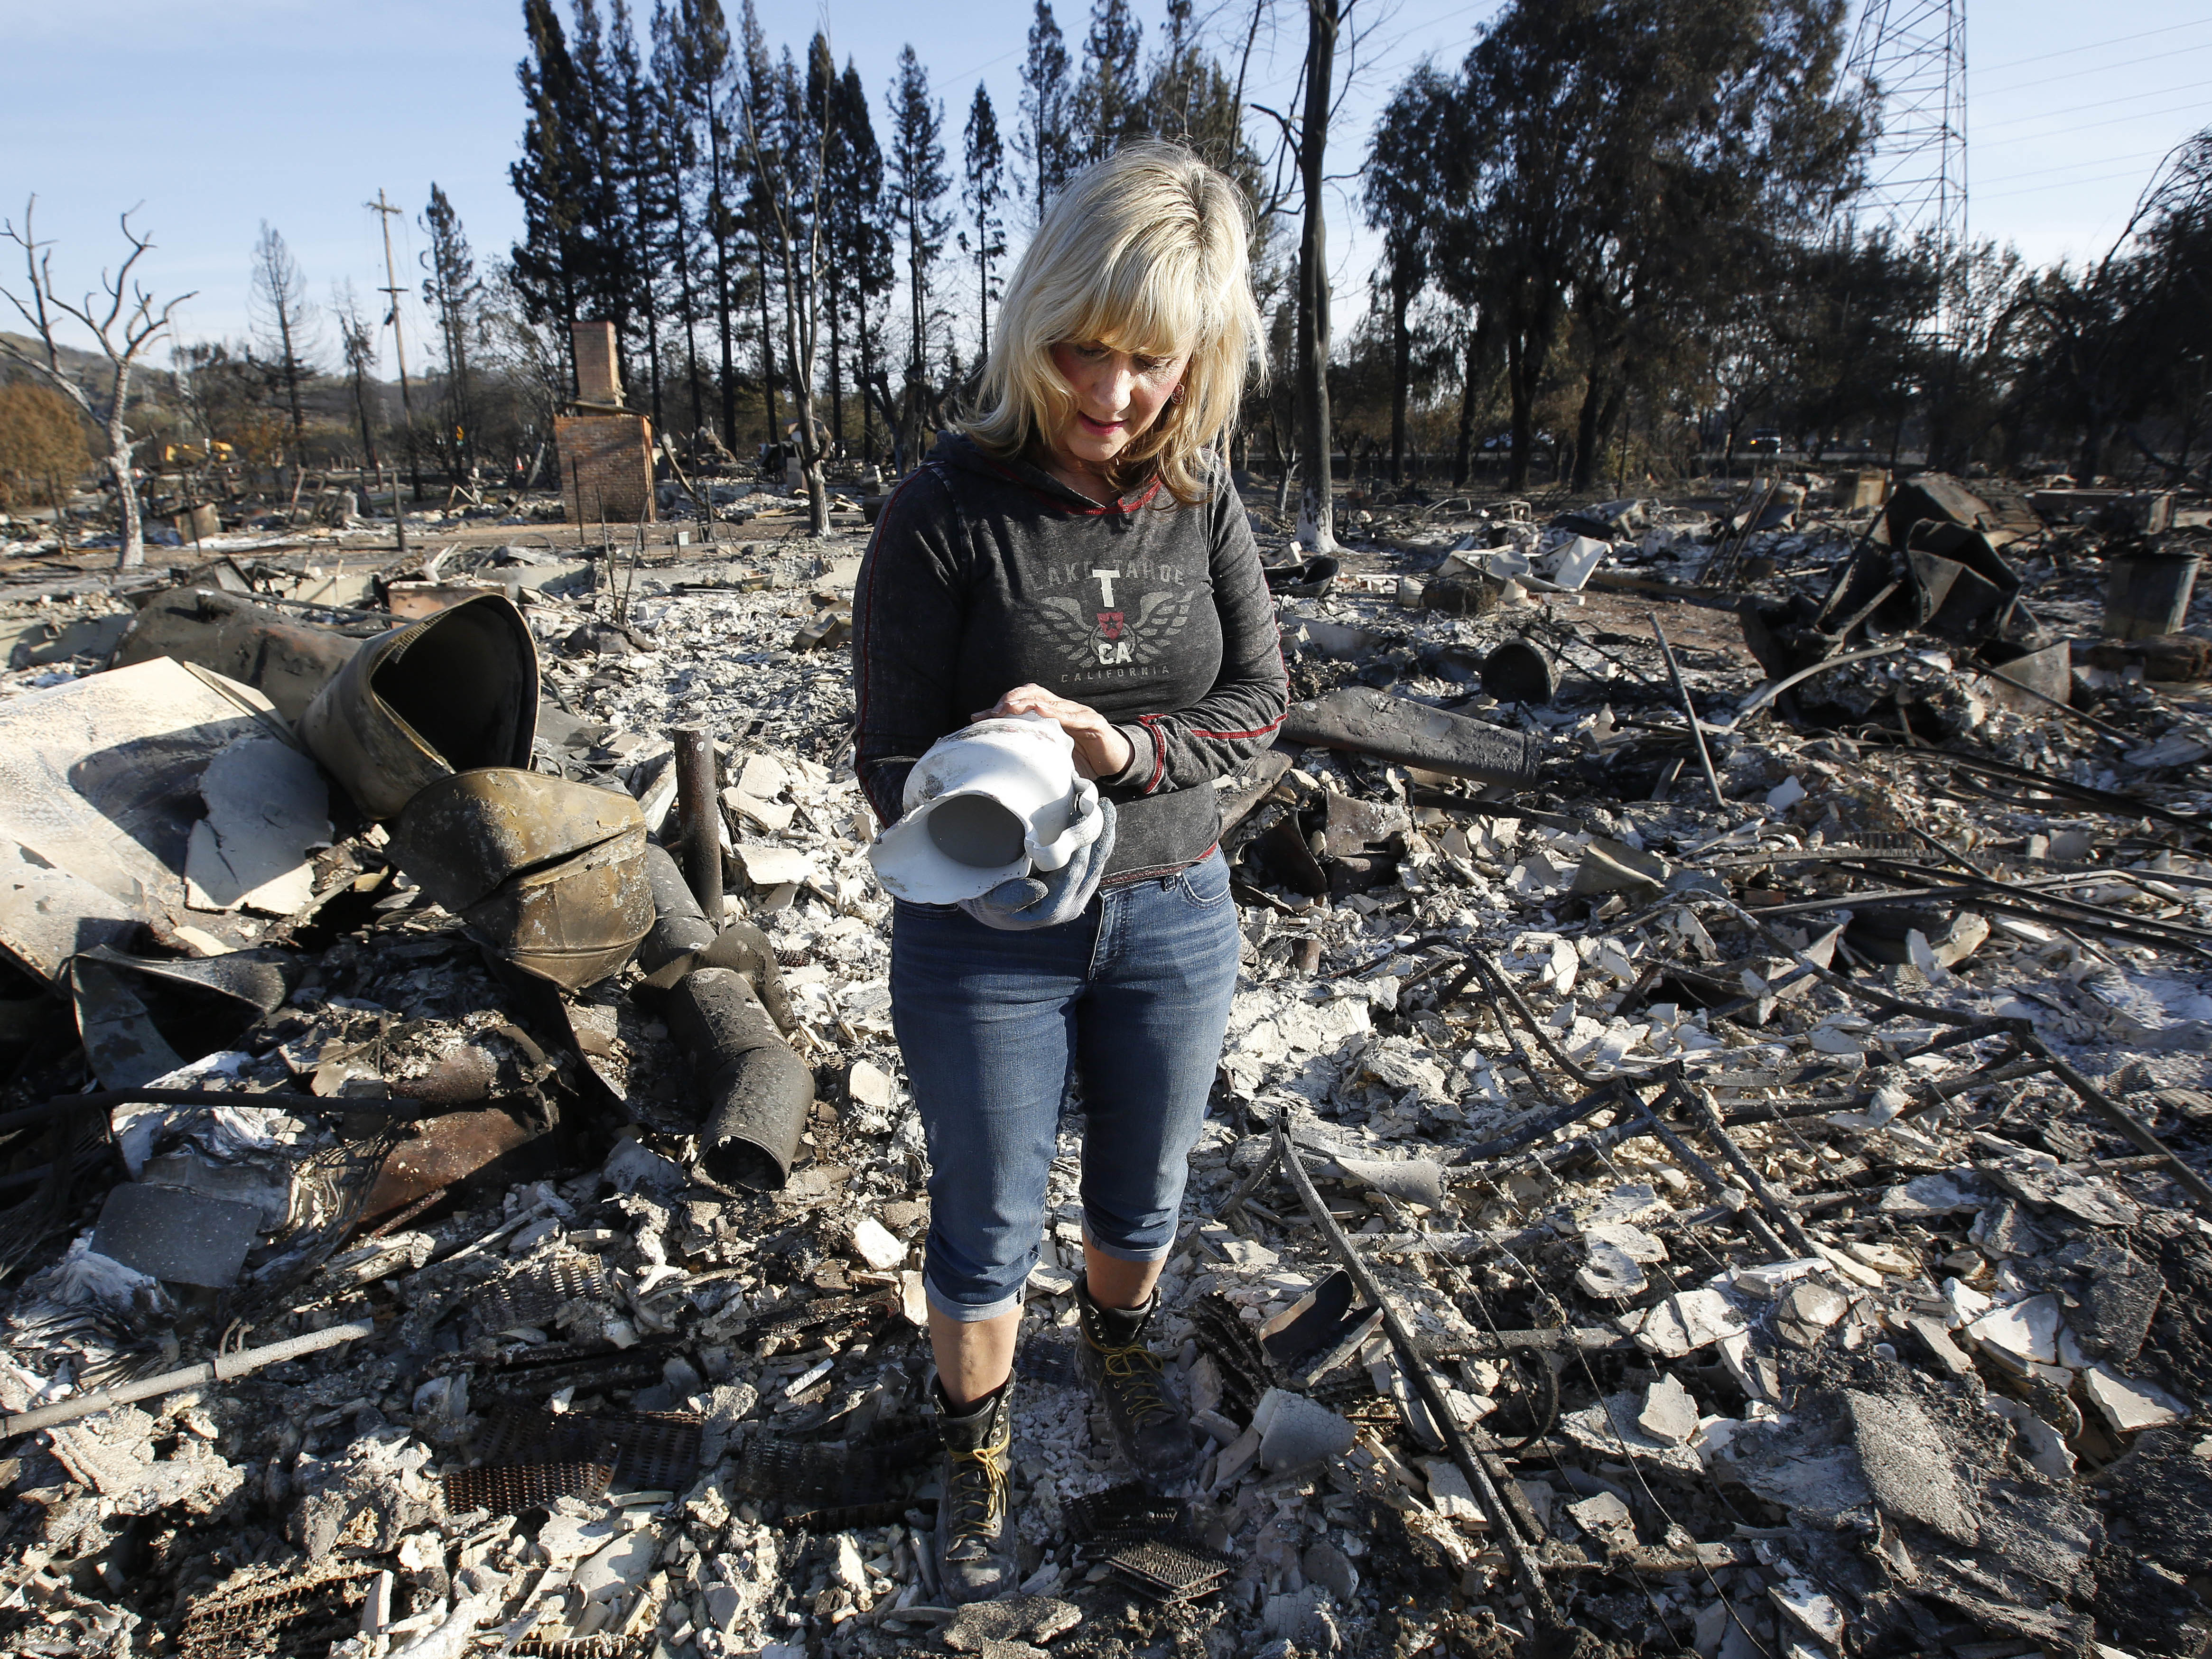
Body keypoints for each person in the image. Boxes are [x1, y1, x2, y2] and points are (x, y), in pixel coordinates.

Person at [851, 141, 1286, 1602]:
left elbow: (1261, 702)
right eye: (1082, 350)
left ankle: (1117, 1351)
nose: (1112, 394)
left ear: (1203, 356)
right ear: (1031, 327)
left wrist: (1126, 749)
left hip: (1176, 911)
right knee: (984, 1217)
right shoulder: (945, 509)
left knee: (1142, 1188)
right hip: (989, 934)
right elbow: (886, 756)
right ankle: (971, 1446)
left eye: (1152, 360)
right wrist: (992, 797)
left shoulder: (1200, 496)